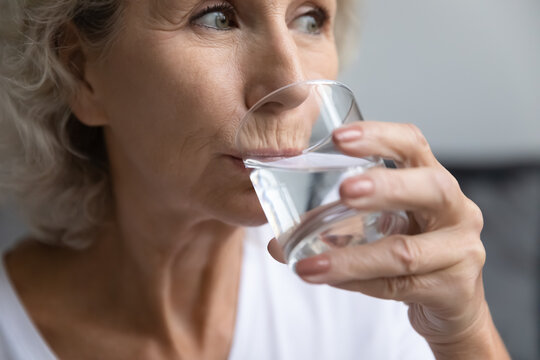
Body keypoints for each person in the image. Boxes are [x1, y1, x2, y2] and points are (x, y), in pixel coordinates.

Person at [0, 0, 510, 359]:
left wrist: (464, 334)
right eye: (217, 16)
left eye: (309, 18)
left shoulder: (372, 268)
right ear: (80, 70)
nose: (292, 85)